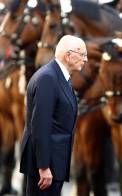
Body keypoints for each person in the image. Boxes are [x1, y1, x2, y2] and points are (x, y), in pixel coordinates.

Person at [19, 35, 87, 195]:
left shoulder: (58, 77)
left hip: (55, 163)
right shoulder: (48, 78)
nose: (86, 59)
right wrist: (43, 167)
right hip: (45, 169)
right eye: (82, 54)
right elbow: (40, 125)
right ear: (68, 55)